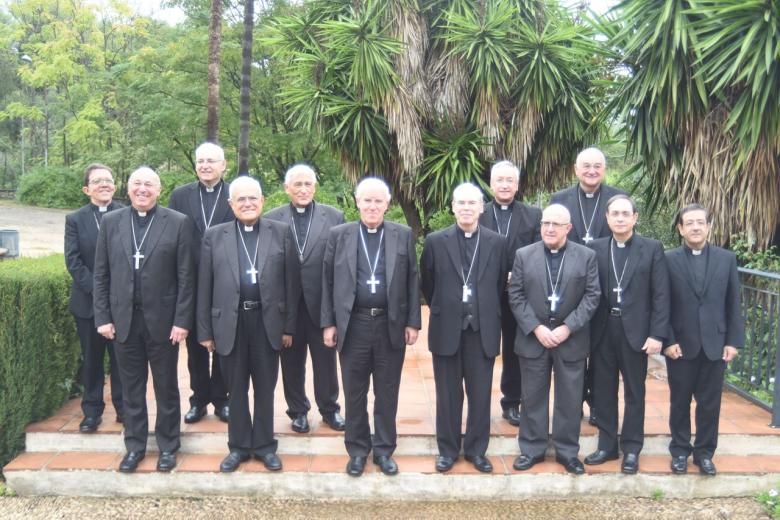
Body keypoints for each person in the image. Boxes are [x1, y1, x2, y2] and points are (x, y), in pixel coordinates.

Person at [93, 166, 195, 473]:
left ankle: (168, 447)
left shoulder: (177, 223)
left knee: (166, 387)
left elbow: (186, 277)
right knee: (130, 388)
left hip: (164, 323)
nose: (142, 189)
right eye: (137, 183)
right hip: (123, 321)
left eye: (149, 184)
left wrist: (182, 320)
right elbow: (101, 274)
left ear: (159, 190)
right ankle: (135, 446)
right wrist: (103, 317)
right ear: (128, 188)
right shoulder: (111, 222)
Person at [196, 176, 299, 472]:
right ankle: (239, 447)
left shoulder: (281, 232)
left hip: (268, 323)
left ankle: (265, 446)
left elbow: (292, 284)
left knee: (265, 388)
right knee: (236, 389)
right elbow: (205, 284)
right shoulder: (215, 235)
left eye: (253, 198)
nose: (247, 203)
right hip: (230, 323)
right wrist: (204, 330)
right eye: (240, 199)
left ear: (263, 200)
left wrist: (289, 327)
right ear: (231, 204)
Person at [321, 177, 421, 477]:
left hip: (390, 324)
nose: (373, 206)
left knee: (387, 390)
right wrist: (328, 323)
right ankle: (357, 449)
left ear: (387, 204)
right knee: (354, 391)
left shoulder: (402, 235)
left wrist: (413, 322)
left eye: (379, 201)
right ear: (357, 202)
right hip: (354, 324)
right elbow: (326, 283)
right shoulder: (339, 235)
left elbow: (412, 280)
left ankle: (384, 450)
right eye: (367, 200)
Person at [508, 204, 600, 475]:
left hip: (569, 339)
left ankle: (567, 452)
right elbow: (516, 295)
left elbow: (592, 296)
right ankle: (532, 449)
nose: (549, 228)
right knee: (532, 397)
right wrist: (536, 328)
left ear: (568, 228)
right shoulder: (524, 255)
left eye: (555, 224)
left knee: (569, 399)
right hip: (534, 338)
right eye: (545, 223)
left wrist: (567, 328)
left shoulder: (586, 256)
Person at [421, 183, 506, 473]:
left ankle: (476, 450)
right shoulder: (435, 241)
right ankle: (447, 450)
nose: (467, 208)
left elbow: (498, 287)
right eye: (461, 203)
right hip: (447, 329)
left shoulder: (497, 242)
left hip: (482, 330)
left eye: (472, 203)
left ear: (482, 207)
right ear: (453, 207)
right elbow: (428, 283)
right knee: (447, 394)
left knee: (481, 394)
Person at [584, 195, 670, 474]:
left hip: (637, 333)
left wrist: (657, 334)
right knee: (603, 391)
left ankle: (632, 449)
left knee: (635, 392)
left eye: (625, 214)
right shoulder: (595, 248)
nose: (620, 218)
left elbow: (661, 295)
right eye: (615, 214)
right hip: (602, 330)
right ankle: (607, 446)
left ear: (635, 218)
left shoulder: (652, 248)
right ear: (607, 218)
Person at [663, 203, 744, 476]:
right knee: (679, 402)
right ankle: (679, 452)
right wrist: (667, 341)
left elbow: (733, 303)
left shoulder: (726, 259)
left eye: (701, 222)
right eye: (690, 222)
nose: (696, 227)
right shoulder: (668, 259)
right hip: (680, 346)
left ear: (709, 226)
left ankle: (705, 454)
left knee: (710, 404)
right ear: (680, 228)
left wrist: (733, 341)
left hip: (715, 344)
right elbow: (662, 304)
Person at [265, 164, 345, 434]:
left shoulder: (334, 217)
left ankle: (329, 409)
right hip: (286, 307)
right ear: (286, 188)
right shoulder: (272, 219)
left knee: (326, 362)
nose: (302, 189)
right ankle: (297, 411)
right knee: (291, 363)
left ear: (315, 187)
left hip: (321, 304)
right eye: (296, 184)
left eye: (307, 184)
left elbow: (341, 265)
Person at [551, 147, 627, 425]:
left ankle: (596, 402)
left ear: (604, 169)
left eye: (597, 166)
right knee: (571, 345)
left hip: (605, 281)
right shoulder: (560, 199)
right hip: (567, 283)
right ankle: (573, 401)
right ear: (576, 169)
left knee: (600, 348)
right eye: (586, 166)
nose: (592, 171)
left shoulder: (618, 198)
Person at [169, 142, 232, 424]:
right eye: (201, 160)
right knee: (195, 346)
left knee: (223, 342)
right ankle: (199, 400)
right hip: (190, 280)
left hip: (226, 281)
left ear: (223, 165)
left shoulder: (236, 194)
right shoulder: (180, 195)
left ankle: (221, 399)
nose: (205, 165)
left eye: (211, 160)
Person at [479, 160, 541, 426]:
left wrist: (518, 275)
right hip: (486, 296)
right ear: (491, 184)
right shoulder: (478, 213)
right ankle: (479, 402)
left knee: (516, 350)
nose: (505, 185)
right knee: (484, 349)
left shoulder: (533, 215)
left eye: (510, 181)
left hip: (520, 295)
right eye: (499, 180)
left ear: (517, 185)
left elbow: (538, 253)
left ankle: (512, 401)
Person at [64, 164, 124, 433]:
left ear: (115, 186)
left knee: (123, 359)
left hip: (122, 303)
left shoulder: (127, 214)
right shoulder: (75, 219)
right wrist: (99, 291)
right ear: (86, 188)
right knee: (92, 359)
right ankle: (92, 411)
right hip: (88, 303)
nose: (104, 184)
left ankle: (125, 408)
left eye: (108, 180)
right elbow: (73, 261)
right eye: (97, 181)